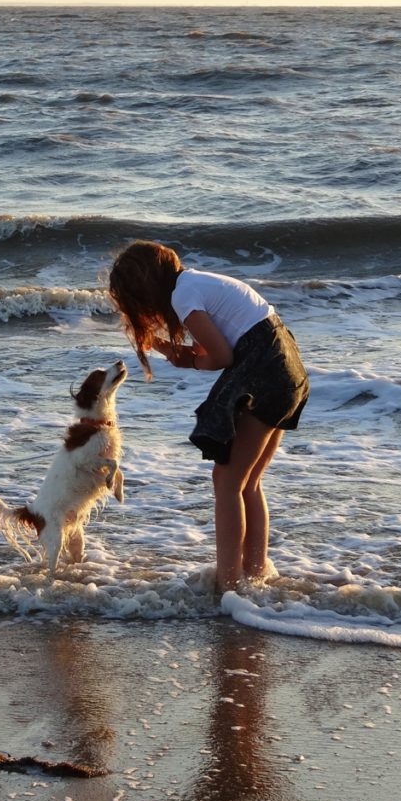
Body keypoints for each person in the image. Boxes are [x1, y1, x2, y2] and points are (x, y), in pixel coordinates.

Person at [109, 240, 309, 593]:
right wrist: (175, 351)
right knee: (247, 483)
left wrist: (191, 359)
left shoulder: (183, 296)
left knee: (227, 481)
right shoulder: (196, 284)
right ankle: (256, 574)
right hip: (286, 366)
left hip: (263, 368)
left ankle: (229, 585)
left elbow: (219, 357)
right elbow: (220, 347)